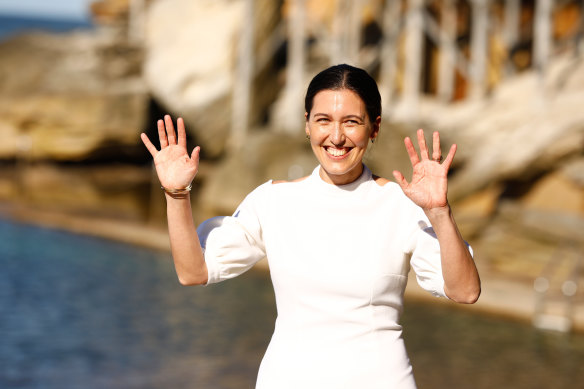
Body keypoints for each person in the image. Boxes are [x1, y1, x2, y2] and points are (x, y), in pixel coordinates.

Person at [141, 64, 480, 388]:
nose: (336, 136)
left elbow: (465, 291)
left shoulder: (402, 204)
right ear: (307, 125)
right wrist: (176, 193)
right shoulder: (273, 202)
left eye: (351, 122)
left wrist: (439, 211)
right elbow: (193, 271)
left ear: (374, 128)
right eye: (323, 120)